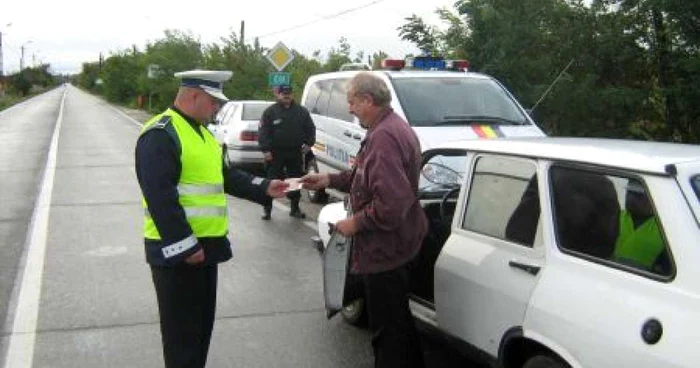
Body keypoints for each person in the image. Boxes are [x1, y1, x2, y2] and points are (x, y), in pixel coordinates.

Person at [134, 69, 288, 368]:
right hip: (177, 254)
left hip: (206, 248)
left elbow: (226, 176)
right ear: (194, 96)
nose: (217, 108)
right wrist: (185, 246)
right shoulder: (161, 133)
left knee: (200, 333)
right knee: (182, 340)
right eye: (213, 101)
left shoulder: (203, 133)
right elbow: (160, 198)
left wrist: (264, 187)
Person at [300, 72, 427, 368]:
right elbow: (364, 180)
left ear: (369, 100)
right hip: (397, 243)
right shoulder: (387, 128)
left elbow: (391, 204)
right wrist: (327, 179)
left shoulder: (384, 137)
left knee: (387, 332)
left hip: (386, 248)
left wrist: (353, 224)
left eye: (352, 102)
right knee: (399, 322)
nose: (349, 109)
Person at [258, 84, 316, 220]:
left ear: (292, 95)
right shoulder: (270, 112)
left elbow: (310, 128)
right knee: (271, 180)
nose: (286, 96)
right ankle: (267, 209)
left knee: (295, 181)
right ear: (278, 95)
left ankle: (294, 208)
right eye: (284, 93)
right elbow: (263, 132)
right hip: (274, 153)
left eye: (289, 93)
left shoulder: (301, 112)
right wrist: (265, 149)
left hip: (295, 152)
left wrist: (309, 143)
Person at [613, 179, 665, 271]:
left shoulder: (665, 227)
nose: (631, 198)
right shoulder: (616, 215)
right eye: (629, 192)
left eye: (638, 195)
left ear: (653, 197)